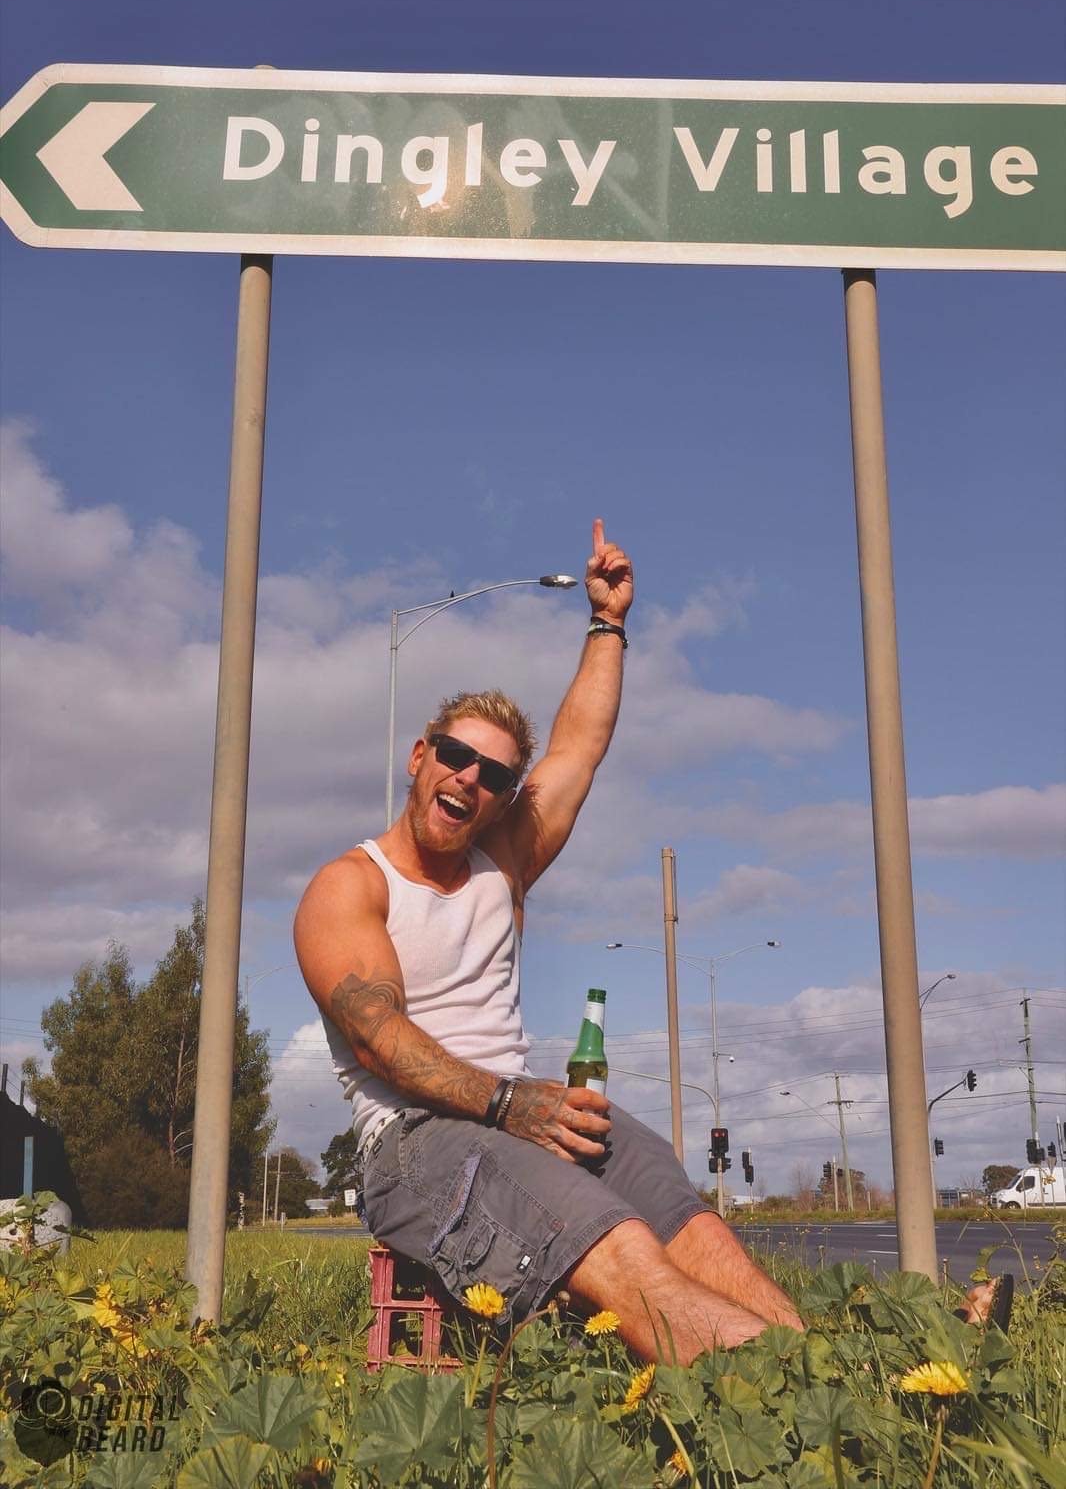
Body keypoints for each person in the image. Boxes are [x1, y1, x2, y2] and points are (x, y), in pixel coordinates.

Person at [296, 519, 803, 1362]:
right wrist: (507, 1105)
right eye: (456, 756)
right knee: (618, 1243)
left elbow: (578, 750)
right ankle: (783, 1394)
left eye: (494, 775)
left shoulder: (502, 863)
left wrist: (608, 622)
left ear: (503, 799)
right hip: (415, 1143)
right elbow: (379, 1039)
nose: (469, 779)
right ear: (420, 756)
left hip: (524, 1115)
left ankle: (844, 1374)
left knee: (694, 1228)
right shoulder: (351, 886)